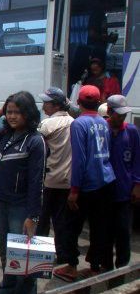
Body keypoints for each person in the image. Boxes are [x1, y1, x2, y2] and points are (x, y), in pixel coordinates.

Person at [0, 91, 46, 294]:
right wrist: (0, 110)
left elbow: (36, 182)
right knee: (5, 252)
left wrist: (32, 216)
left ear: (29, 113)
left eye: (17, 112)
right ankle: (9, 287)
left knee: (22, 256)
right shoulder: (4, 136)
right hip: (1, 204)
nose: (12, 116)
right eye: (9, 112)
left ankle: (21, 290)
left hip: (20, 207)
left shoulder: (35, 141)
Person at [54, 85, 116, 281]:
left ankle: (72, 267)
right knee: (99, 227)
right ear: (98, 103)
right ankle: (95, 266)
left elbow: (79, 160)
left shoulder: (78, 124)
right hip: (106, 181)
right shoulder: (104, 123)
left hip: (86, 185)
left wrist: (74, 190)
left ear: (78, 103)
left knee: (71, 227)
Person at [35, 87, 74, 265]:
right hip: (68, 180)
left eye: (46, 103)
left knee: (42, 219)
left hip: (49, 179)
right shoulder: (74, 122)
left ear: (56, 105)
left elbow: (36, 150)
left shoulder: (47, 125)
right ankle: (63, 255)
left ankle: (40, 255)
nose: (43, 107)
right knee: (61, 220)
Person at [106, 95, 140, 268]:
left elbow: (137, 159)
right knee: (104, 234)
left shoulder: (132, 131)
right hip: (104, 191)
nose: (122, 117)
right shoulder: (103, 130)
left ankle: (121, 268)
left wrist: (137, 185)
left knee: (123, 234)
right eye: (118, 114)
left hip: (124, 192)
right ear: (109, 112)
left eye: (124, 114)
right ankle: (104, 267)